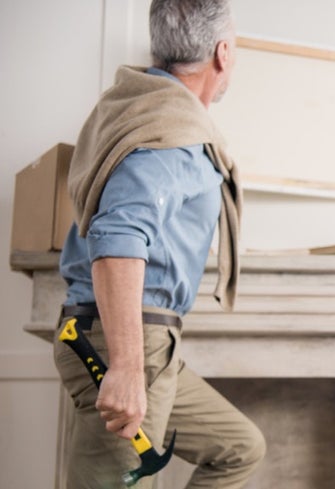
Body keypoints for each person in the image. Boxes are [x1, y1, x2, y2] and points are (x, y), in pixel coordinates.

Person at [52, 1, 265, 487]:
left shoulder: (139, 109)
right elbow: (118, 237)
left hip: (143, 341)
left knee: (238, 447)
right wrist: (126, 367)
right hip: (127, 341)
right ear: (222, 52)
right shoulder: (172, 133)